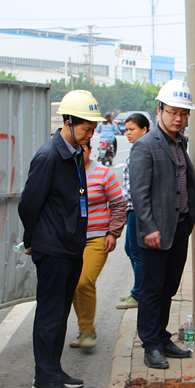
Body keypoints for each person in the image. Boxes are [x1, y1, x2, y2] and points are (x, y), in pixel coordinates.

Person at [18, 89, 104, 388]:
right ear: (68, 122)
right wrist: (32, 239)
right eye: (86, 128)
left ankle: (55, 370)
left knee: (61, 313)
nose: (90, 134)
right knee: (49, 314)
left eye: (93, 129)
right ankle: (44, 379)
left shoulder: (74, 152)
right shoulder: (49, 156)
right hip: (53, 249)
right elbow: (28, 204)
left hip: (71, 246)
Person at [129, 80, 195, 370]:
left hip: (178, 227)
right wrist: (148, 228)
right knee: (152, 289)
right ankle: (150, 345)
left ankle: (162, 336)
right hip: (156, 232)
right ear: (160, 111)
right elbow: (139, 193)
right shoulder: (145, 146)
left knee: (168, 287)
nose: (178, 118)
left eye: (183, 113)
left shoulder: (180, 142)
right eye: (172, 112)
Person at [69, 141, 127, 349]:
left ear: (90, 150)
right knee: (72, 284)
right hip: (69, 239)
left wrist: (112, 233)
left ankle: (86, 331)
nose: (77, 154)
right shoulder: (63, 174)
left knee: (84, 281)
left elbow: (118, 204)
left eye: (82, 150)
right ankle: (85, 329)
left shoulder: (103, 174)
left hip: (96, 237)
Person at [117, 113, 150, 309]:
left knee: (136, 251)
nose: (127, 133)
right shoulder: (136, 149)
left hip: (138, 208)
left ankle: (138, 293)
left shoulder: (143, 150)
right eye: (126, 129)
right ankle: (138, 289)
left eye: (132, 129)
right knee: (130, 249)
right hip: (130, 207)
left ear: (144, 130)